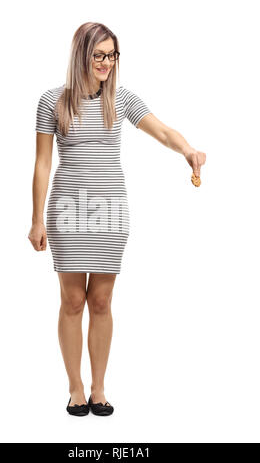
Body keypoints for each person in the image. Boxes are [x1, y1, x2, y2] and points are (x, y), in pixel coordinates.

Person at [28, 22, 206, 417]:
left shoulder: (121, 99)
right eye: (99, 55)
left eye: (112, 55)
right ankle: (75, 388)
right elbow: (42, 163)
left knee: (102, 300)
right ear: (82, 56)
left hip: (110, 210)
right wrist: (36, 219)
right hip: (67, 210)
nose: (107, 62)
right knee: (73, 300)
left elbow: (161, 131)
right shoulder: (51, 100)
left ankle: (99, 388)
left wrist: (187, 150)